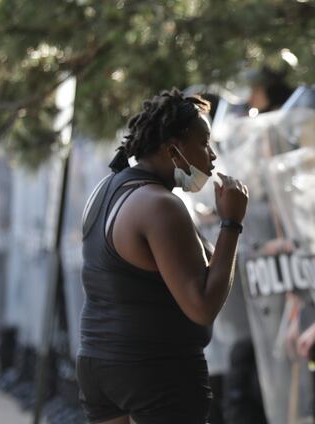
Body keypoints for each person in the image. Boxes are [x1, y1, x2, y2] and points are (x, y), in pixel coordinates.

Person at [76, 89, 249, 424]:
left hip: (98, 363)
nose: (212, 156)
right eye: (203, 143)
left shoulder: (106, 190)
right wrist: (232, 224)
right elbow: (201, 307)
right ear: (174, 150)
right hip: (156, 368)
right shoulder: (160, 205)